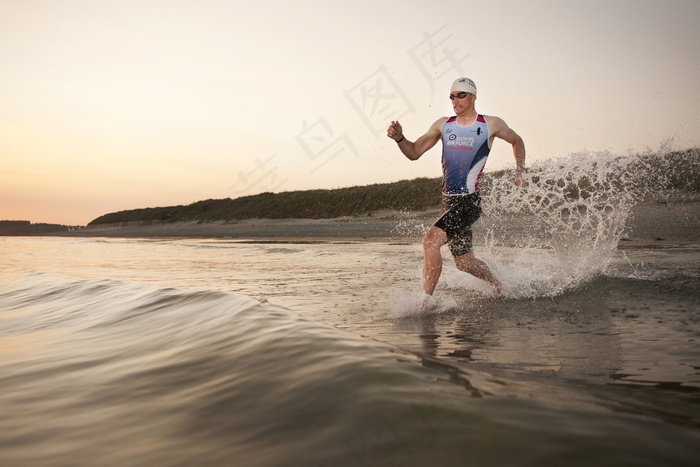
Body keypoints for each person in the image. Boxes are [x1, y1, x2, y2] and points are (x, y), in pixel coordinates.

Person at [387, 77, 526, 298]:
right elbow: (413, 152)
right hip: (449, 202)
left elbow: (517, 141)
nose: (455, 100)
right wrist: (400, 138)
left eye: (461, 95)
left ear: (473, 96)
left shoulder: (489, 124)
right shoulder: (443, 125)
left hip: (470, 201)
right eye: (452, 96)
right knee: (464, 262)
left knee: (430, 241)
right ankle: (501, 287)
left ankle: (424, 303)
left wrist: (520, 171)